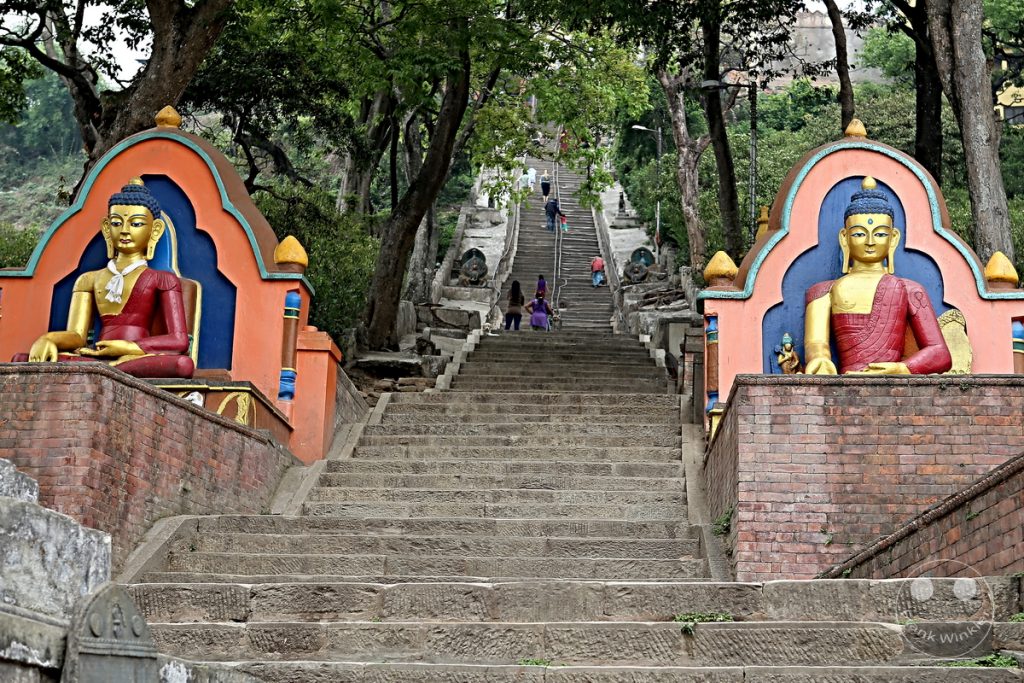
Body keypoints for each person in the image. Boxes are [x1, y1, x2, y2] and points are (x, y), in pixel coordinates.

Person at [20, 178, 194, 378]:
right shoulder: (88, 279)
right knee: (22, 358)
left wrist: (128, 347)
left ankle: (109, 370)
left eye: (136, 223)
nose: (125, 231)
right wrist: (49, 340)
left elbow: (179, 341)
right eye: (116, 223)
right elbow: (77, 337)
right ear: (106, 228)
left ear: (154, 230)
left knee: (183, 364)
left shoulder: (163, 279)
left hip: (135, 356)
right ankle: (109, 370)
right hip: (96, 356)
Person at [803, 176, 951, 375]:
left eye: (880, 234)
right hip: (845, 383)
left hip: (895, 387)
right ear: (844, 238)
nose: (870, 241)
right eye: (859, 234)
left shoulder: (910, 290)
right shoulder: (823, 292)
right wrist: (820, 360)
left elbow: (940, 353)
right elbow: (816, 342)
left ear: (893, 238)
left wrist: (901, 369)